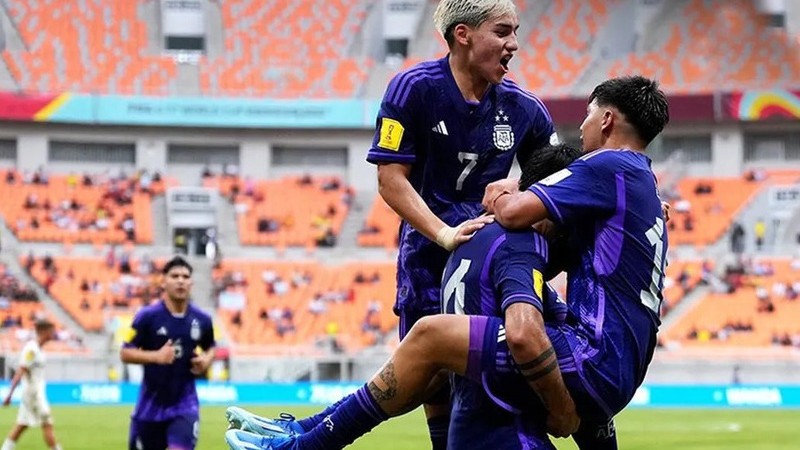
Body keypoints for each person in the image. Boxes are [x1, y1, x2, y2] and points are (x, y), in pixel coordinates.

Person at [222, 145, 587, 450]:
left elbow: (425, 377)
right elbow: (526, 336)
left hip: (466, 427)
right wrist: (563, 409)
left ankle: (304, 434)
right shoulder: (523, 245)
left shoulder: (473, 238)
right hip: (508, 433)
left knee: (419, 367)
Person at [365, 0, 557, 446]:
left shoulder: (524, 107)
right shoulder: (413, 88)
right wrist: (444, 233)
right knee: (433, 383)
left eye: (515, 32)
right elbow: (390, 179)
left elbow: (558, 178)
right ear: (463, 34)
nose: (514, 44)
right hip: (427, 256)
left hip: (493, 260)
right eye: (502, 31)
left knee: (491, 377)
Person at [482, 75, 670, 441]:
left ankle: (332, 434)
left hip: (593, 354)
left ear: (606, 120)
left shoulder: (607, 166)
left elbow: (514, 213)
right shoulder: (643, 181)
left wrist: (502, 192)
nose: (581, 127)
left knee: (435, 338)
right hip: (622, 364)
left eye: (588, 114)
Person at [121, 256, 216, 450]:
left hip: (184, 405)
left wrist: (206, 360)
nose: (180, 280)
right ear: (163, 281)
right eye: (174, 276)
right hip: (148, 408)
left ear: (191, 283)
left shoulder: (202, 320)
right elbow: (125, 352)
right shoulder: (146, 317)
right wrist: (156, 356)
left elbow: (211, 347)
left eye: (185, 276)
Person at [1, 319, 62, 450]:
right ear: (44, 332)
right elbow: (21, 371)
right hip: (34, 394)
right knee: (47, 422)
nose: (53, 334)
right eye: (51, 331)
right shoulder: (32, 349)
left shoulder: (39, 349)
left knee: (22, 424)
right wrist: (9, 394)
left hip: (35, 392)